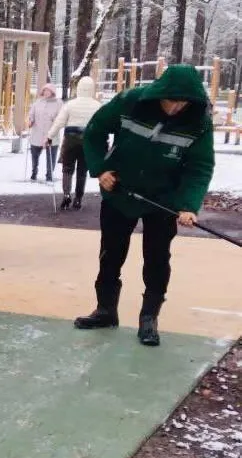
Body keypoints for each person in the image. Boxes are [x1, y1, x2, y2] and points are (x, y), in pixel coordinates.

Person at [74, 64, 215, 347]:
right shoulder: (131, 102)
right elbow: (95, 130)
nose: (176, 107)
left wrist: (188, 205)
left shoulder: (198, 121)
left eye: (183, 102)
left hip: (163, 200)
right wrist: (101, 169)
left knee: (157, 259)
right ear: (160, 93)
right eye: (171, 100)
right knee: (111, 254)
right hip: (120, 191)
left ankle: (149, 318)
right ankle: (105, 310)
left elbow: (199, 166)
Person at [45, 76, 102, 210]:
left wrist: (49, 136)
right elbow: (101, 125)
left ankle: (66, 194)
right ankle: (78, 198)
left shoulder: (70, 105)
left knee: (67, 168)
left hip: (70, 139)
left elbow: (59, 122)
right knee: (82, 170)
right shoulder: (97, 106)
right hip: (88, 140)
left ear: (79, 89)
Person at [27, 83, 62, 182]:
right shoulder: (37, 103)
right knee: (34, 155)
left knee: (51, 157)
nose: (46, 92)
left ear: (53, 92)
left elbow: (61, 117)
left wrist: (55, 121)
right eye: (45, 90)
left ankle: (49, 175)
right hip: (37, 133)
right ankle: (34, 172)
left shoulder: (58, 103)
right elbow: (31, 114)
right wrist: (31, 120)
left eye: (48, 91)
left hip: (51, 134)